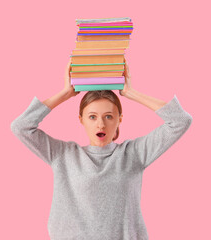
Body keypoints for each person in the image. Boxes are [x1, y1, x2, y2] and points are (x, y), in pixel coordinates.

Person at [10, 59, 192, 240]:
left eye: (108, 116)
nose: (101, 124)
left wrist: (130, 93)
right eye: (92, 117)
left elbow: (180, 121)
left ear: (119, 119)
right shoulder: (63, 155)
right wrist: (65, 94)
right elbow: (21, 127)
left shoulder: (134, 154)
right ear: (81, 119)